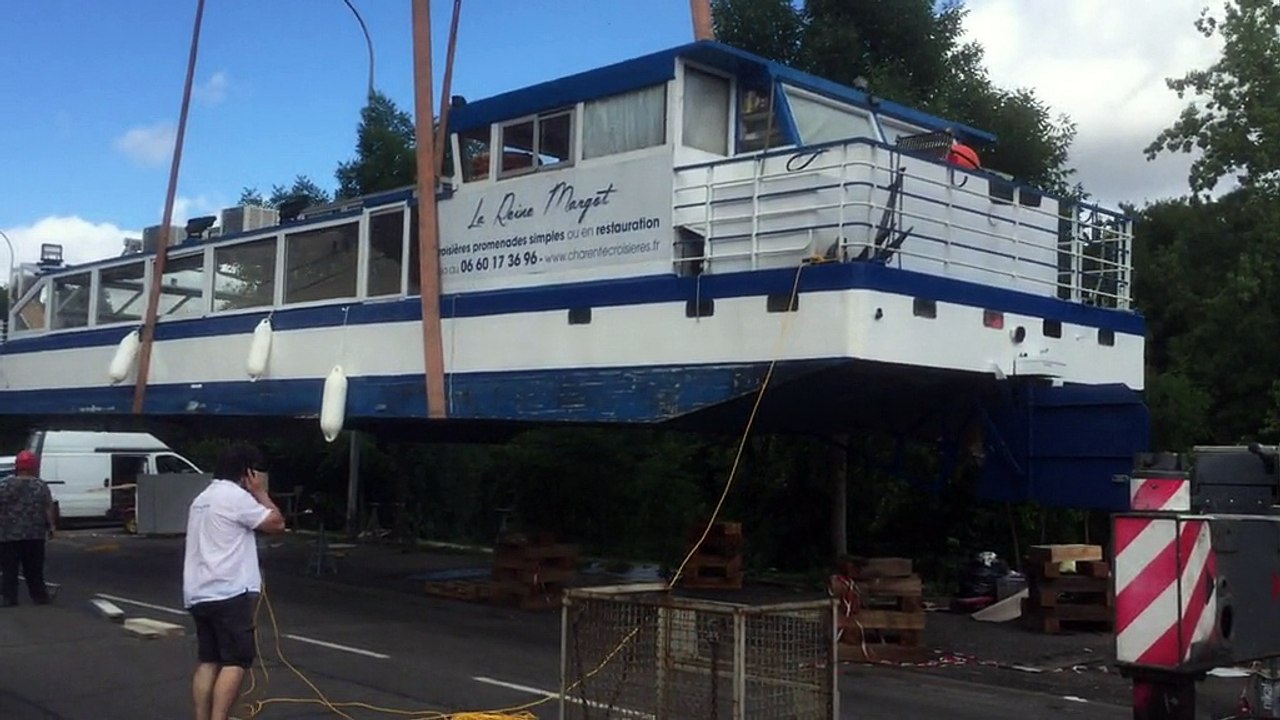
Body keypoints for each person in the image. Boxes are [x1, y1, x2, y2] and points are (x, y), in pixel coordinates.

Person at [183, 444, 286, 720]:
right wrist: (261, 493)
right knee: (236, 661)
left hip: (199, 591)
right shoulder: (235, 498)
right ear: (248, 473)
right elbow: (276, 524)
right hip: (228, 593)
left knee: (209, 660)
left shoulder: (202, 498)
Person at [0, 450, 56, 606]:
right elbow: (48, 508)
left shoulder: (4, 484)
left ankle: (9, 598)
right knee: (34, 568)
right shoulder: (40, 485)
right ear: (33, 466)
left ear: (17, 466)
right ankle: (39, 596)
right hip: (35, 534)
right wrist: (51, 526)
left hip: (8, 534)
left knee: (9, 568)